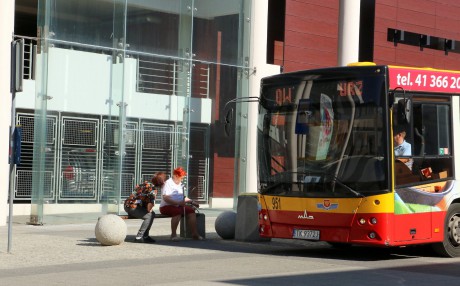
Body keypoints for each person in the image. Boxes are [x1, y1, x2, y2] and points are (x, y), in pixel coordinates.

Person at [159, 167, 203, 241]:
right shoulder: (167, 184)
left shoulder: (180, 184)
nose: (182, 180)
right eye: (181, 178)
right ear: (176, 176)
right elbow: (166, 198)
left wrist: (192, 201)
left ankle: (194, 233)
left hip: (178, 205)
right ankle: (173, 235)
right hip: (166, 206)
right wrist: (178, 203)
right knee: (177, 212)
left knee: (191, 211)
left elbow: (182, 197)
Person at [124, 178, 159, 243]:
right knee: (149, 216)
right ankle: (139, 236)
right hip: (133, 207)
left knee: (152, 214)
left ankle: (145, 236)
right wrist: (150, 208)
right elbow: (149, 208)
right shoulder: (153, 189)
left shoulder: (144, 184)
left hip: (127, 206)